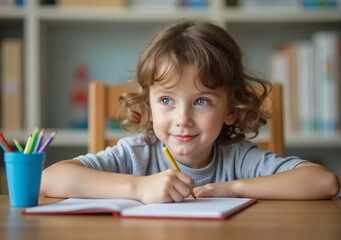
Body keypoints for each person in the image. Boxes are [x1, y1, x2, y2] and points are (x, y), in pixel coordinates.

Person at [40, 20, 340, 203]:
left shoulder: (239, 158)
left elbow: (323, 182)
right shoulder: (135, 155)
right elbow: (49, 180)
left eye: (201, 101)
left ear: (231, 110)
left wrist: (233, 188)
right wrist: (138, 187)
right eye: (167, 100)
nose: (182, 119)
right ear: (150, 106)